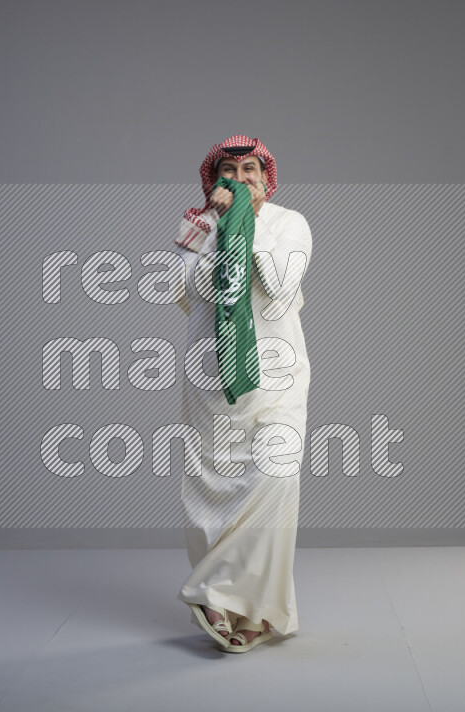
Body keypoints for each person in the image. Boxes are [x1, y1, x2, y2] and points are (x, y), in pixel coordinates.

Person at [172, 135, 313, 653]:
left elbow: (279, 282)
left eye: (250, 169)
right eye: (229, 170)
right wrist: (212, 232)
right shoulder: (195, 226)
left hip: (275, 380)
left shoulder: (290, 223)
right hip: (210, 379)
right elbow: (183, 294)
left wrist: (243, 226)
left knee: (275, 481)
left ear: (265, 177)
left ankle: (212, 591)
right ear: (214, 180)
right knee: (214, 492)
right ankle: (246, 610)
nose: (241, 177)